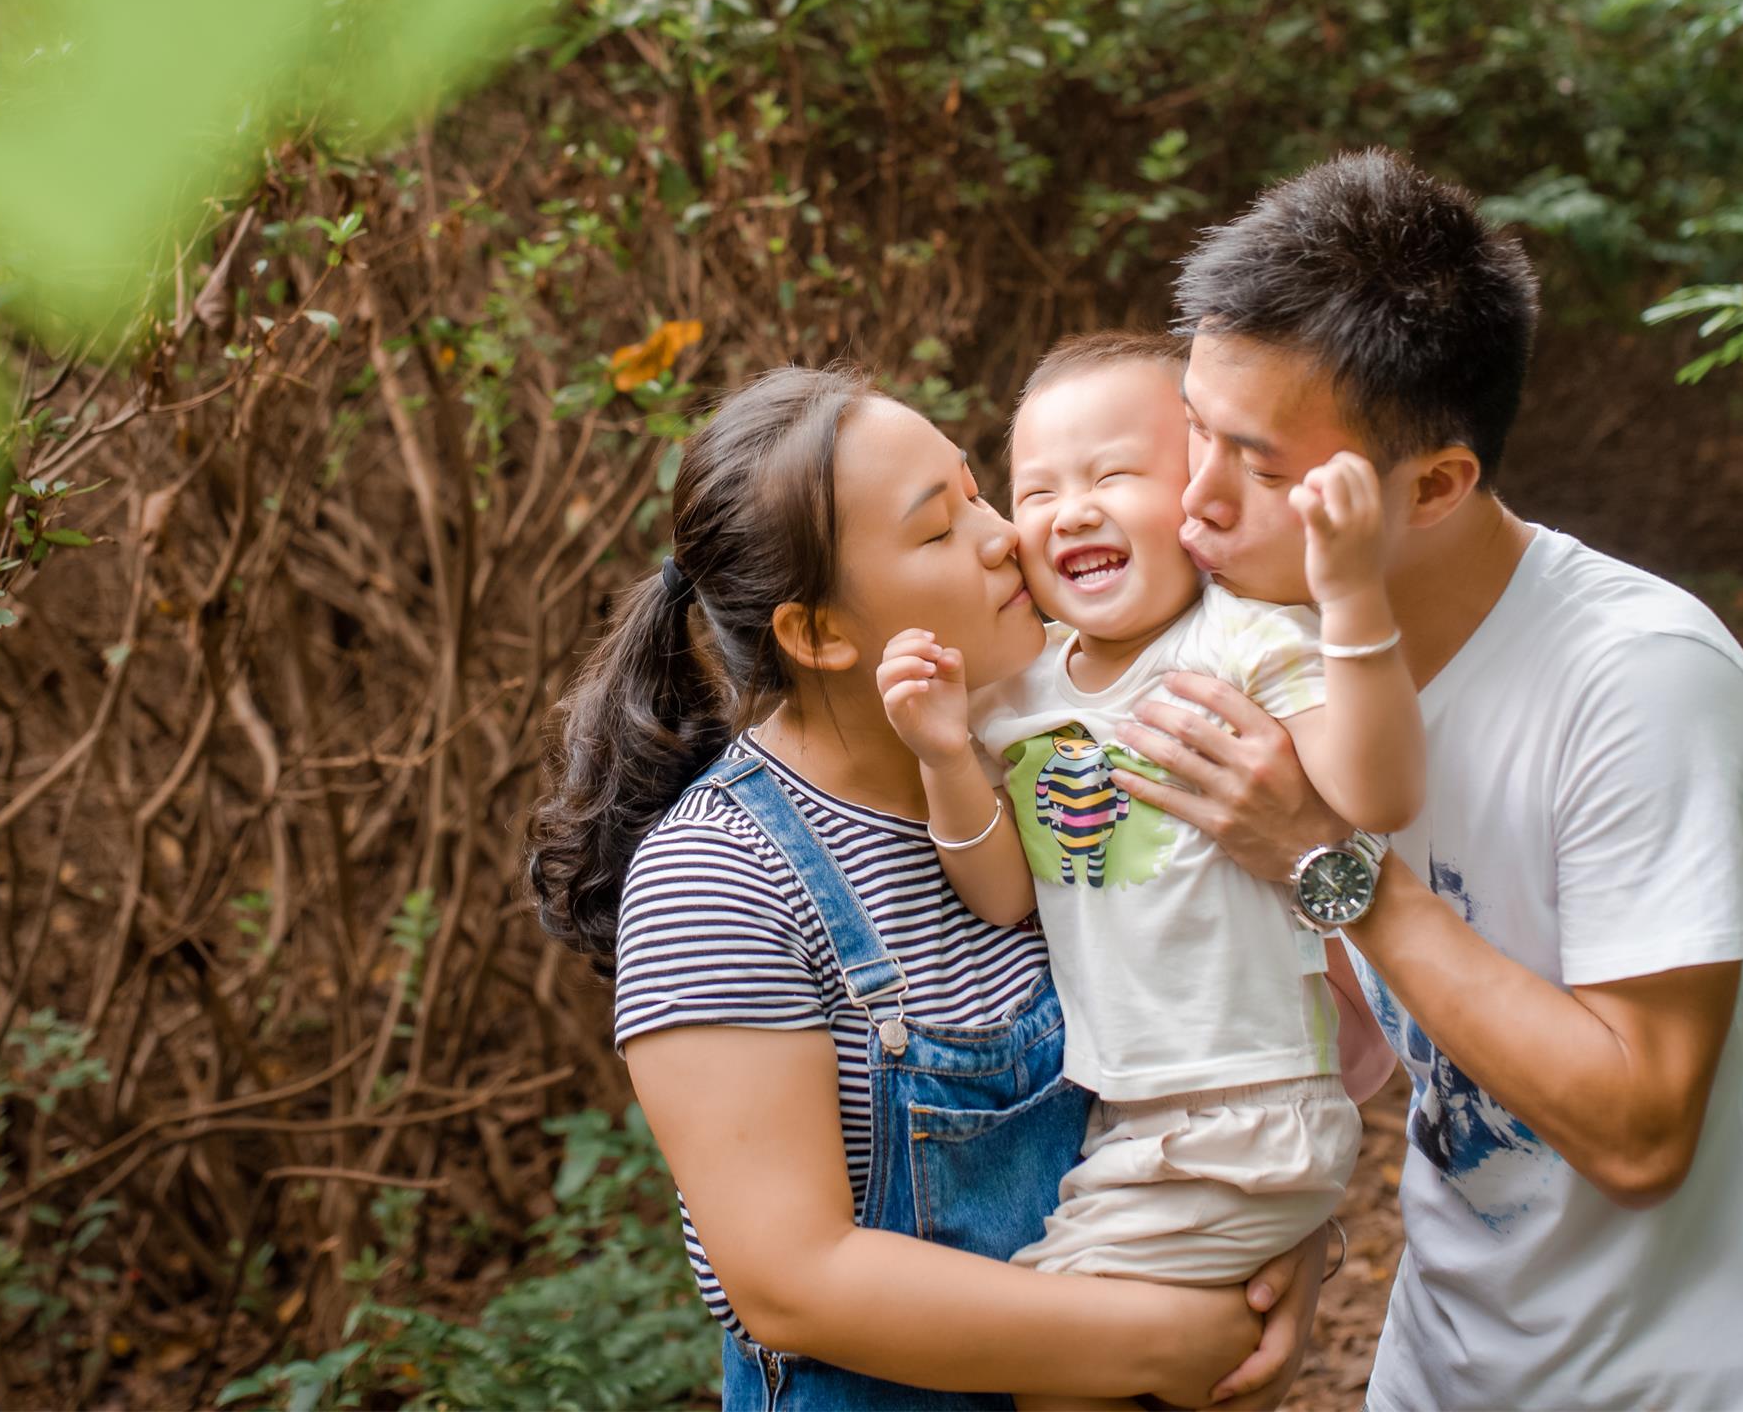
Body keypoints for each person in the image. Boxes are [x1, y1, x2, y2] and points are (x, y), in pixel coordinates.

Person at [1106, 150, 1743, 1412]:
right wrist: (1293, 1234)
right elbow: (1374, 1042)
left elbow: (1638, 1130)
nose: (1191, 501)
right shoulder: (1279, 659)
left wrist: (1328, 861)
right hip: (1442, 1365)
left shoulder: (1639, 684)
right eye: (1193, 427)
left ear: (1434, 486)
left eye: (1255, 467)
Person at [526, 366, 1332, 1411]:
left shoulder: (1056, 731)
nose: (1005, 537)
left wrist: (1266, 1238)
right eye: (936, 531)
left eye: (978, 492)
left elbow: (1216, 1009)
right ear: (818, 632)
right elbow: (790, 1282)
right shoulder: (718, 875)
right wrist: (1169, 1338)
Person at [871, 330, 1418, 1412]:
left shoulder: (1243, 643)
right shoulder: (1015, 699)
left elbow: (1378, 794)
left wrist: (1350, 598)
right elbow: (1000, 894)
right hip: (1125, 1120)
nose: (1071, 509)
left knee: (1055, 1371)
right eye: (1036, 491)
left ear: (1196, 500)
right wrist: (943, 754)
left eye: (1115, 474)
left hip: (1248, 1110)